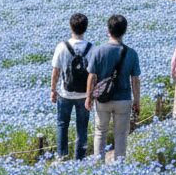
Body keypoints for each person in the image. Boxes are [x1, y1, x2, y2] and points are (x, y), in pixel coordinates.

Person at [85, 15, 141, 161]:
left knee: (100, 132)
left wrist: (88, 97)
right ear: (125, 31)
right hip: (123, 99)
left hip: (103, 99)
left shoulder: (98, 51)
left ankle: (98, 164)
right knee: (121, 134)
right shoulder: (132, 53)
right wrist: (137, 101)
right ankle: (119, 164)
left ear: (108, 30)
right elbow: (135, 80)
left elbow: (92, 77)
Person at [50, 13, 93, 160]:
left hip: (65, 93)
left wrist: (53, 90)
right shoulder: (91, 48)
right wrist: (91, 95)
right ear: (85, 29)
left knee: (62, 125)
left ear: (70, 27)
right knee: (82, 128)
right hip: (84, 95)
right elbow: (93, 74)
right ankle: (79, 159)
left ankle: (62, 157)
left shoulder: (62, 47)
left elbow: (55, 71)